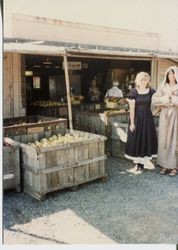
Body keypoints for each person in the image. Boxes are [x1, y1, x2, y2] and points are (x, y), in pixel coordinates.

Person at [125, 72, 158, 174]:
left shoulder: (151, 91)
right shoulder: (134, 92)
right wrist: (132, 123)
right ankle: (137, 165)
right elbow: (132, 109)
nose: (144, 82)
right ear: (138, 81)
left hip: (147, 119)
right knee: (136, 139)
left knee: (145, 139)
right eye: (142, 80)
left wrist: (154, 112)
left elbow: (160, 101)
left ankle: (141, 165)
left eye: (146, 80)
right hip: (136, 119)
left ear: (148, 81)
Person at [152, 66, 178, 176]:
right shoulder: (163, 86)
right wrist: (164, 99)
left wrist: (173, 100)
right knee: (163, 139)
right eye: (169, 74)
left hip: (175, 114)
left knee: (174, 139)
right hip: (164, 114)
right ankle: (163, 165)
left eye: (173, 74)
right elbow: (154, 99)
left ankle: (174, 167)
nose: (171, 76)